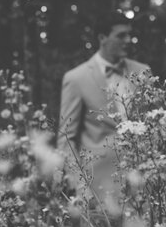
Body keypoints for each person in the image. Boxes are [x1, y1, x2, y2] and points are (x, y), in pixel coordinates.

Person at [58, 12, 151, 173]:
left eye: (129, 35)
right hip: (97, 180)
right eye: (121, 36)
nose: (128, 41)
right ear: (102, 38)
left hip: (142, 177)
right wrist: (77, 181)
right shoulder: (76, 78)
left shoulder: (143, 71)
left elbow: (151, 125)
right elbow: (67, 138)